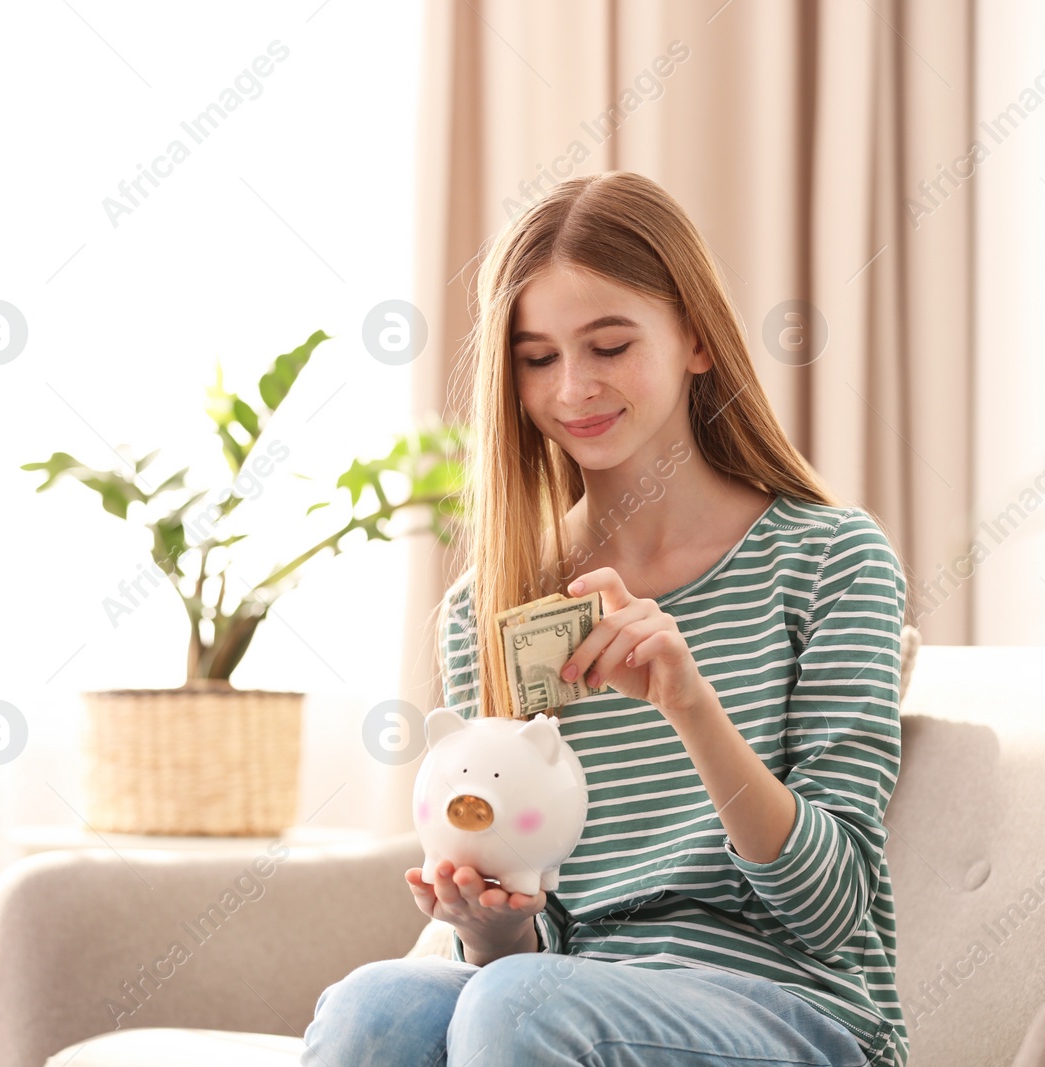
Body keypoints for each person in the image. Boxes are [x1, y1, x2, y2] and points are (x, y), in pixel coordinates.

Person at [302, 170, 910, 1067]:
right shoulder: (491, 606)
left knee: (518, 1006)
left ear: (697, 338)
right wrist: (489, 925)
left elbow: (834, 907)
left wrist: (689, 701)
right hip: (560, 997)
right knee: (375, 1006)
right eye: (539, 357)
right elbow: (533, 946)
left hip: (799, 1015)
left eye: (610, 344)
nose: (573, 387)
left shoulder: (829, 559)